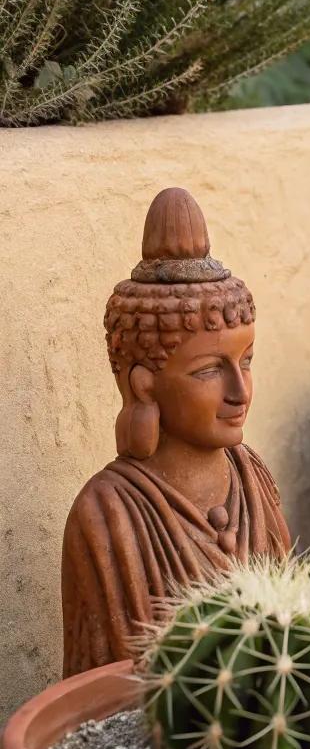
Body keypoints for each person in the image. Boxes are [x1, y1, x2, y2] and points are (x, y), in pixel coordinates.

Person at [62, 187, 290, 674]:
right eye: (209, 370)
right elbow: (97, 697)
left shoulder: (253, 478)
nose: (240, 391)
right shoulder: (106, 514)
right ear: (144, 386)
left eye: (246, 361)